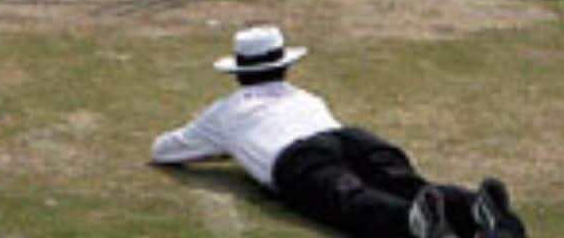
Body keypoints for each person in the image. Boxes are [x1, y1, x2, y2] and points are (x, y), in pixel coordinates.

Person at [150, 25, 526, 238]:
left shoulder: (225, 113)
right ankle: (472, 205)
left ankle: (412, 224)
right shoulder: (307, 96)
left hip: (298, 159)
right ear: (284, 67)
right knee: (407, 182)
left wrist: (222, 146)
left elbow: (164, 150)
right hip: (352, 137)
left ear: (238, 73)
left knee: (352, 201)